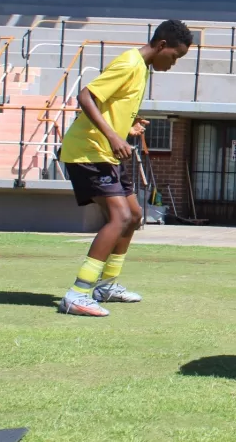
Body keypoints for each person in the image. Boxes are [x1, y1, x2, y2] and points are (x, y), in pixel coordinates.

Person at [57, 20, 192, 317]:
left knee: (134, 216)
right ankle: (77, 293)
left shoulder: (142, 68)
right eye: (174, 56)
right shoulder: (130, 62)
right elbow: (86, 96)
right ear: (161, 46)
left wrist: (127, 127)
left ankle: (105, 286)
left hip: (106, 153)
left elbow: (110, 105)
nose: (174, 63)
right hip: (88, 152)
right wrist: (113, 135)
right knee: (118, 217)